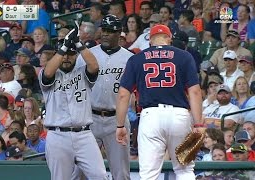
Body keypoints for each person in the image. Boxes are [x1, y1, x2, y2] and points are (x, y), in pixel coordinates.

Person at [116, 24, 203, 179]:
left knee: (149, 174)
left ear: (150, 40)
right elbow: (195, 92)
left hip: (150, 116)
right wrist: (198, 124)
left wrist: (120, 125)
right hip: (179, 115)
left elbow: (123, 94)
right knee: (184, 170)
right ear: (169, 39)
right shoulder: (184, 56)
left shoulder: (136, 59)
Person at [39, 22, 107, 179]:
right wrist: (63, 49)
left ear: (76, 55)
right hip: (58, 135)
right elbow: (48, 71)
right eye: (64, 55)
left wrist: (78, 44)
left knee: (100, 175)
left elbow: (94, 66)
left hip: (84, 135)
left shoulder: (83, 73)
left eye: (71, 54)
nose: (67, 58)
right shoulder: (48, 73)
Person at [76, 14, 133, 180]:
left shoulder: (129, 58)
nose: (106, 34)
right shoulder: (87, 55)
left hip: (117, 120)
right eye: (104, 30)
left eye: (111, 30)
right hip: (89, 117)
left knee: (121, 172)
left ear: (119, 33)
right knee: (80, 170)